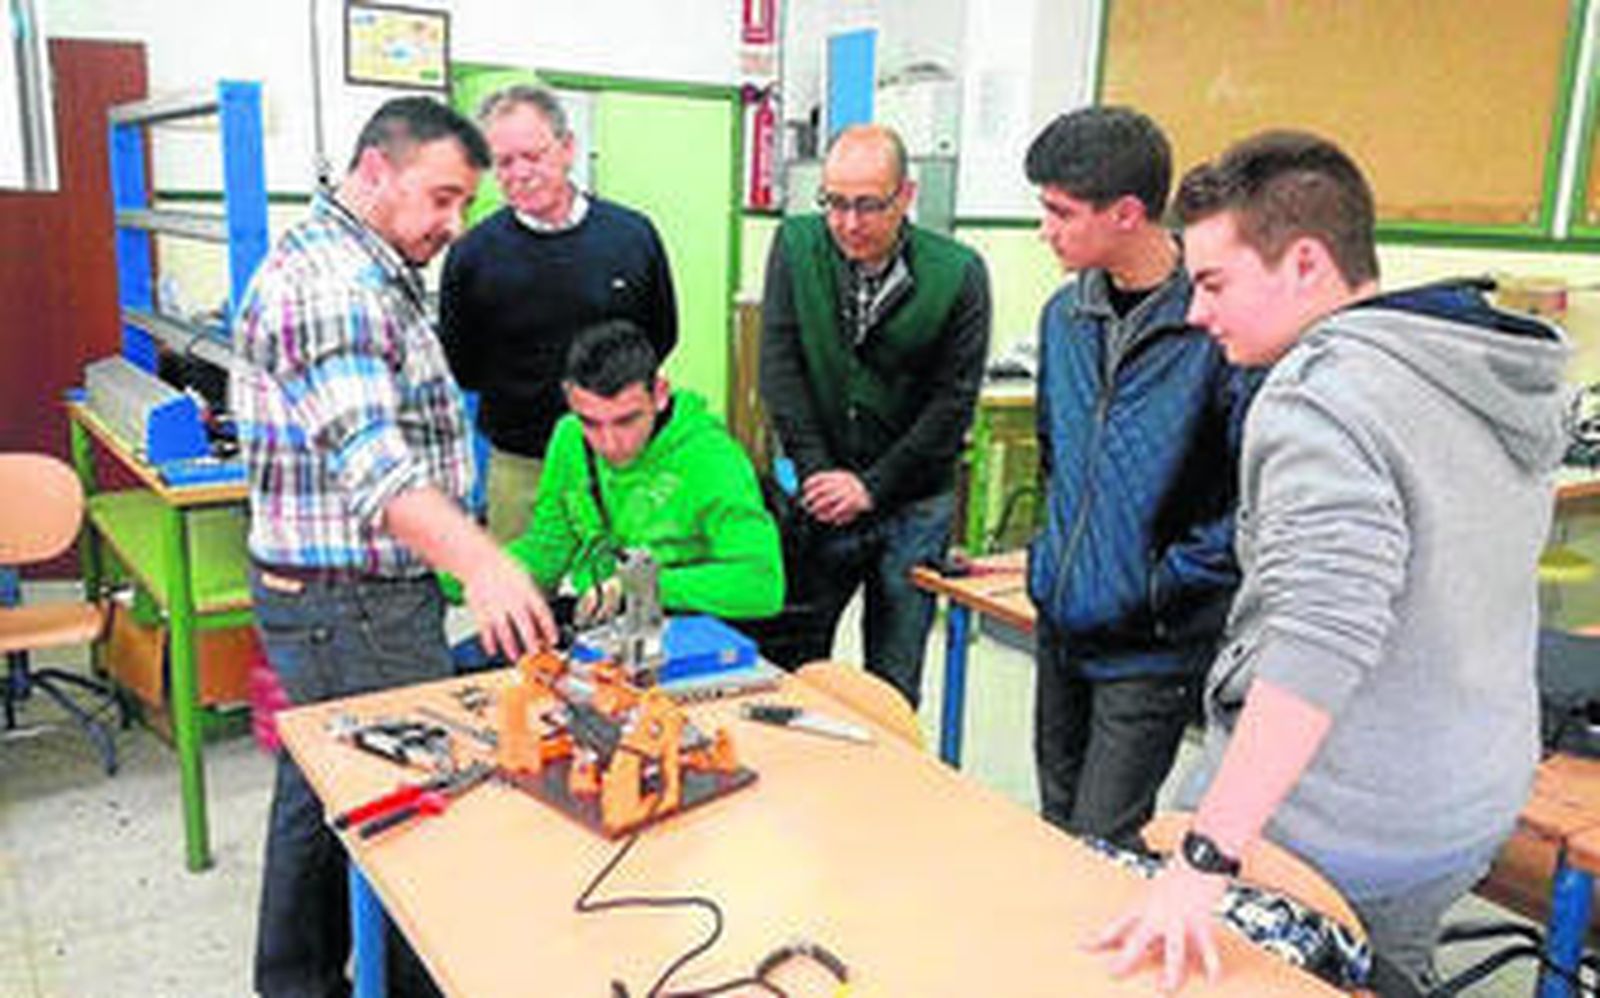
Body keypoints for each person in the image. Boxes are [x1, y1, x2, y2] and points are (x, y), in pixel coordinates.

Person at [1092, 131, 1569, 994]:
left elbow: (1319, 639)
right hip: (1468, 798)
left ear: (1306, 263)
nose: (1197, 313)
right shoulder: (1472, 367)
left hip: (1339, 824)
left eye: (1213, 283)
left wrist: (1205, 858)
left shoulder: (1320, 398)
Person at [233, 96, 557, 998]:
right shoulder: (334, 284)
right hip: (356, 603)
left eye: (464, 205)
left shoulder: (360, 262)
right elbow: (377, 471)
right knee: (409, 803)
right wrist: (486, 562)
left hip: (335, 598)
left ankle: (295, 982)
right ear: (375, 171)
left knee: (323, 781)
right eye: (442, 199)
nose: (454, 226)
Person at [1022, 106, 1256, 847]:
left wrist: (1163, 587)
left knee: (1103, 842)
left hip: (1151, 642)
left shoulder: (1218, 327)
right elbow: (1058, 457)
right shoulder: (1066, 316)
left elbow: (1252, 501)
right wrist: (1049, 561)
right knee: (1056, 827)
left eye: (1060, 212)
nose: (1045, 230)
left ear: (1127, 213)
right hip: (1063, 623)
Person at [758, 123, 991, 706]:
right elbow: (781, 370)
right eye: (835, 203)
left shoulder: (959, 273)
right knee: (796, 671)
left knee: (892, 682)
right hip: (820, 498)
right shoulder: (794, 246)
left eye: (868, 205)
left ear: (906, 196)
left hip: (913, 503)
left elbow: (951, 403)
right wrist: (817, 473)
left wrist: (872, 485)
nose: (849, 223)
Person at [439, 84, 678, 542]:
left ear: (567, 149)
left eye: (532, 155)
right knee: (522, 597)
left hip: (621, 459)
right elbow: (462, 364)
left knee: (624, 593)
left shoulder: (632, 235)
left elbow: (661, 334)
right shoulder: (472, 254)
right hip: (521, 464)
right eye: (504, 162)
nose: (520, 173)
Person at [496, 318, 784, 623]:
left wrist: (638, 585)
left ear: (660, 394)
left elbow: (761, 585)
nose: (609, 443)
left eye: (626, 420)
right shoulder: (569, 437)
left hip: (687, 625)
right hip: (601, 619)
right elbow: (547, 550)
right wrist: (460, 568)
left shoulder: (712, 458)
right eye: (590, 422)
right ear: (569, 397)